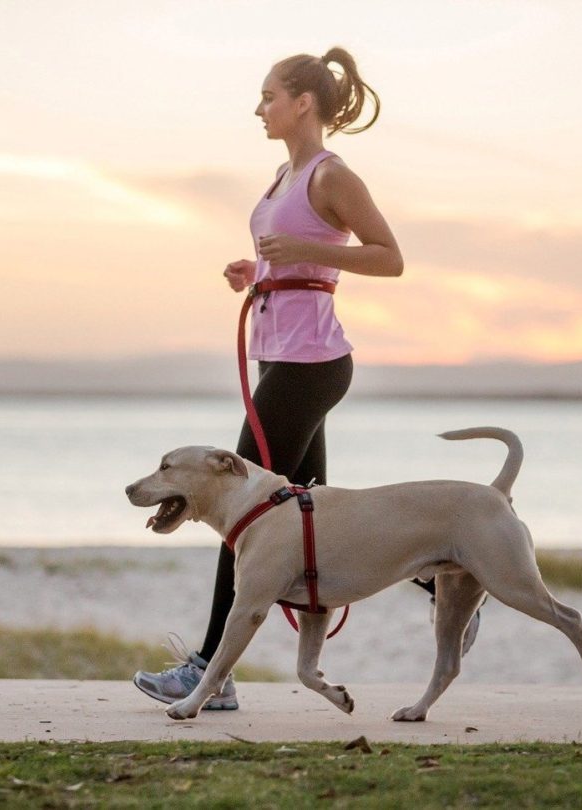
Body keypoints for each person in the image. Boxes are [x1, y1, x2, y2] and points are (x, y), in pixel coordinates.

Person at [133, 47, 478, 710]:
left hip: (310, 364)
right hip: (280, 355)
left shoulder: (331, 175)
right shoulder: (281, 176)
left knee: (241, 515)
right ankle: (445, 580)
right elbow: (291, 264)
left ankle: (209, 672)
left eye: (268, 96)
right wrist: (257, 273)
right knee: (309, 518)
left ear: (302, 103)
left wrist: (305, 251)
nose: (259, 107)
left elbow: (390, 258)